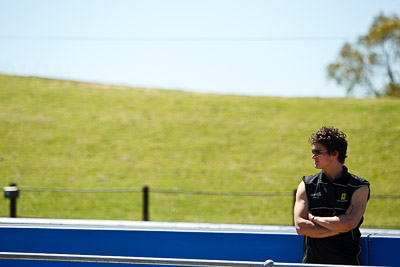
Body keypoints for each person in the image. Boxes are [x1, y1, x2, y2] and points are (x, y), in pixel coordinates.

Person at [294, 126, 370, 265]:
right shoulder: (306, 184)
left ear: (334, 153)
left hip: (347, 263)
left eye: (318, 152)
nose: (313, 156)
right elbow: (301, 227)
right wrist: (337, 228)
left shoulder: (359, 186)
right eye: (313, 151)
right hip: (312, 263)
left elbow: (349, 223)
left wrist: (313, 218)